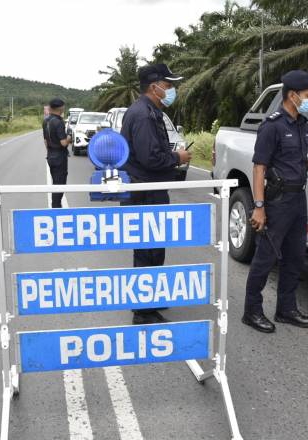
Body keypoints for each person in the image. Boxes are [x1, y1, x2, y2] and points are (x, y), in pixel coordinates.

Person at [242, 70, 308, 334]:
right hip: (277, 202)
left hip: (298, 199)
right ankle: (252, 311)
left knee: (295, 257)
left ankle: (286, 309)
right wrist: (258, 207)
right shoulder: (272, 125)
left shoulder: (302, 123)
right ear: (293, 95)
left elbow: (294, 162)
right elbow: (259, 168)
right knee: (266, 258)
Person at [120, 63, 192, 324]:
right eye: (169, 85)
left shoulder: (150, 111)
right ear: (155, 87)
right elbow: (150, 158)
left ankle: (149, 297)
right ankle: (143, 312)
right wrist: (178, 157)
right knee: (147, 251)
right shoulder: (143, 115)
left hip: (150, 189)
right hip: (144, 192)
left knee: (154, 248)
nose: (172, 90)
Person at [42, 98, 72, 208]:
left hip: (50, 155)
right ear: (61, 108)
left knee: (55, 182)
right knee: (60, 184)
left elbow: (45, 141)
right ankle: (56, 208)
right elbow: (64, 143)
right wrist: (69, 137)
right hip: (60, 156)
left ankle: (56, 205)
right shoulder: (58, 122)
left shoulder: (46, 121)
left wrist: (50, 152)